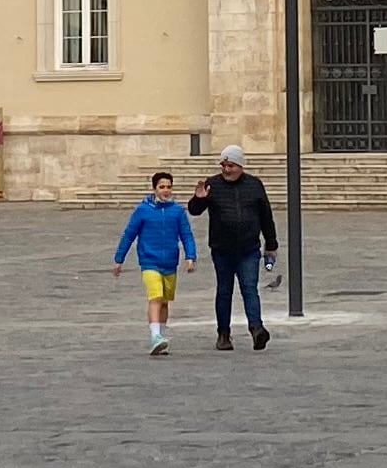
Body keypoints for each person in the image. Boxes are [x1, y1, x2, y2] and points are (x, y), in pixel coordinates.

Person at [189, 144, 278, 350]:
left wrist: (271, 244)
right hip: (222, 249)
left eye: (231, 165)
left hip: (249, 249)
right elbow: (194, 211)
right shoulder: (212, 184)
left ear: (241, 166)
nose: (227, 170)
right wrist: (198, 199)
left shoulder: (255, 185)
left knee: (249, 289)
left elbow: (266, 216)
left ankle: (257, 329)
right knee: (224, 291)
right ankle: (223, 334)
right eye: (224, 165)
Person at [112, 169, 198, 353]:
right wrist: (119, 259)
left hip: (170, 262)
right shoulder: (142, 210)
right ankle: (154, 336)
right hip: (149, 261)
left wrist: (190, 256)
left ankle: (161, 334)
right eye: (162, 187)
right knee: (155, 297)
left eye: (169, 187)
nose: (166, 190)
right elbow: (129, 234)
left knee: (165, 301)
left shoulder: (177, 211)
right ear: (154, 189)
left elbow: (186, 235)